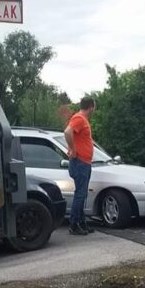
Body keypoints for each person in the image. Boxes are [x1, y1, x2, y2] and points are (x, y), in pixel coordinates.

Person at [64, 97, 96, 235]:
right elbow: (67, 131)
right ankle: (74, 224)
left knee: (82, 195)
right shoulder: (79, 118)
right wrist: (73, 149)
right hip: (80, 162)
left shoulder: (83, 120)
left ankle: (81, 222)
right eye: (94, 107)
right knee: (80, 194)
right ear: (91, 106)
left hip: (84, 162)